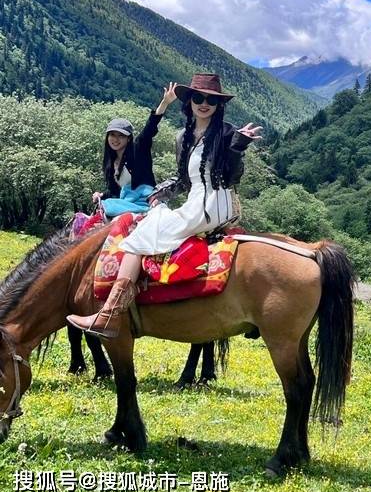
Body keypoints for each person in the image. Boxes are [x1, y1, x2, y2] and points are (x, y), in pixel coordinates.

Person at [68, 73, 262, 339]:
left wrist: (238, 147)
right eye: (198, 98)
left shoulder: (227, 133)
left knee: (138, 239)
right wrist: (160, 193)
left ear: (219, 105)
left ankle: (109, 314)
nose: (204, 103)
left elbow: (231, 178)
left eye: (211, 100)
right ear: (189, 102)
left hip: (213, 204)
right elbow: (184, 179)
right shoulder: (183, 137)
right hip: (197, 202)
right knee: (151, 221)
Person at [67, 85, 178, 376]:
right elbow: (113, 190)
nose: (115, 139)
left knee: (115, 219)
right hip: (122, 200)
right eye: (112, 135)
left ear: (128, 138)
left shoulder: (138, 151)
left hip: (141, 201)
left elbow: (150, 131)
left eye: (120, 135)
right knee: (84, 221)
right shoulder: (110, 161)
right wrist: (101, 196)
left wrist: (164, 104)